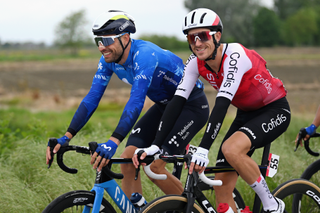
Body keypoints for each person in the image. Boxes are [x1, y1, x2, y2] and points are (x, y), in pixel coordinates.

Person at [133, 8, 290, 213]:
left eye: (203, 36)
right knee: (222, 190)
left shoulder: (235, 55)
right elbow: (177, 102)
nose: (197, 43)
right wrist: (156, 145)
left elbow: (222, 104)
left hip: (274, 110)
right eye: (192, 37)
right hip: (245, 113)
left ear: (217, 35)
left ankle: (273, 205)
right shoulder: (195, 62)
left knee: (231, 149)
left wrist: (204, 148)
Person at [46, 10, 209, 198]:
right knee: (127, 160)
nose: (101, 47)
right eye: (97, 41)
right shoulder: (108, 60)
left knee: (154, 167)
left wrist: (113, 141)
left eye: (106, 41)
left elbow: (137, 100)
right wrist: (66, 136)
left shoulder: (144, 55)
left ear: (125, 38)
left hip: (191, 107)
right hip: (165, 107)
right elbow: (92, 98)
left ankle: (195, 208)